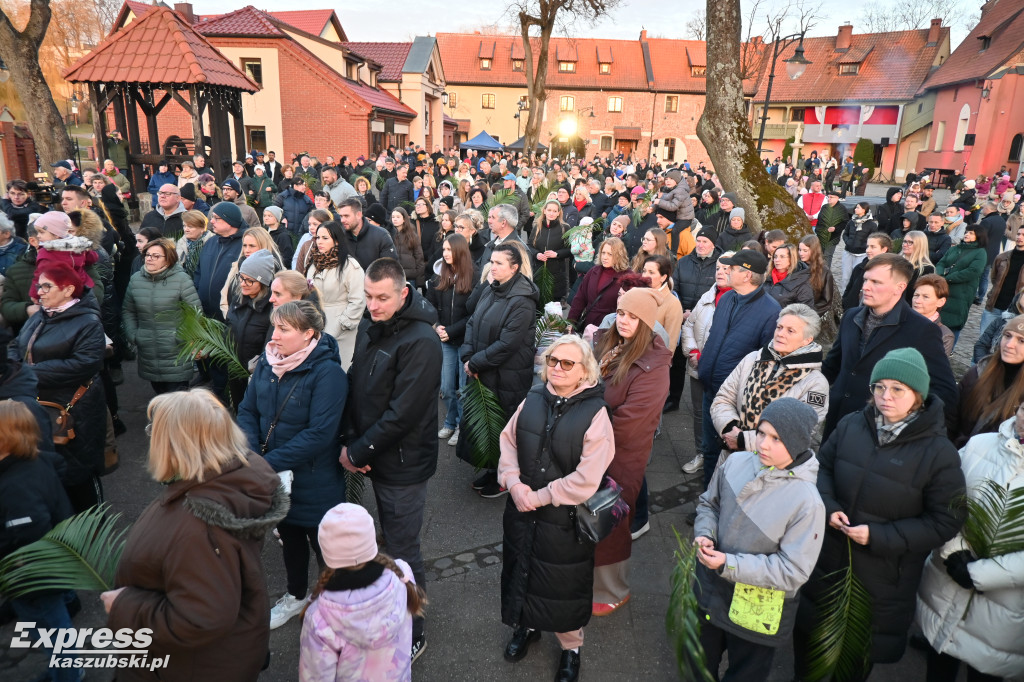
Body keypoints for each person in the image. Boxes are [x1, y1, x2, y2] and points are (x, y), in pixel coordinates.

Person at [795, 348, 966, 682]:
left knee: (852, 663)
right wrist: (829, 507)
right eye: (879, 387)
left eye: (897, 389)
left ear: (918, 395)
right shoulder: (851, 425)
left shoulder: (939, 453)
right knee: (808, 650)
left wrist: (879, 537)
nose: (885, 396)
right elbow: (823, 468)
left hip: (882, 580)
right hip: (828, 560)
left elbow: (946, 520)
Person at [101, 389, 288, 682]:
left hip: (189, 667)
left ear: (176, 445)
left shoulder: (199, 527)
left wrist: (124, 607)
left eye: (155, 432)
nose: (150, 438)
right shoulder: (227, 480)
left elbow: (201, 618)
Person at [497, 335, 615, 682]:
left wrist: (539, 496)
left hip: (564, 520)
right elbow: (508, 440)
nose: (558, 368)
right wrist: (514, 482)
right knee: (522, 571)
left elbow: (587, 478)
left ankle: (570, 649)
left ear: (584, 371)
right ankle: (527, 626)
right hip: (521, 508)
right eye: (552, 361)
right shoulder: (534, 396)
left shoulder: (596, 413)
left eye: (567, 363)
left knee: (562, 585)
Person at [341, 258, 441, 661]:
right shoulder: (372, 324)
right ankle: (389, 607)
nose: (373, 305)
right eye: (367, 296)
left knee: (403, 549)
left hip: (404, 463)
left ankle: (413, 629)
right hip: (374, 453)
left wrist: (358, 450)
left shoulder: (422, 341)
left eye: (382, 298)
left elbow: (404, 414)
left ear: (403, 294)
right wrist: (354, 440)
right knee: (387, 541)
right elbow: (355, 382)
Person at [694, 398, 825, 681]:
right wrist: (705, 533)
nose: (763, 444)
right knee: (698, 664)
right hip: (711, 591)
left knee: (745, 673)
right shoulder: (736, 461)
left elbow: (793, 571)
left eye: (776, 438)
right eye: (762, 433)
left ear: (798, 441)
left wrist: (729, 564)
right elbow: (709, 504)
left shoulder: (807, 503)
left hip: (757, 611)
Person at [236, 300, 347, 630]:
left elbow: (319, 434)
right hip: (276, 477)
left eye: (284, 329)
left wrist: (264, 462)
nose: (275, 335)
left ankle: (336, 606)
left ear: (309, 334)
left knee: (325, 548)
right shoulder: (269, 364)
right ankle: (296, 595)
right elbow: (247, 411)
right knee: (291, 540)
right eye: (275, 327)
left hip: (315, 481)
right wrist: (253, 454)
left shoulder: (328, 374)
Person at [916, 406, 1024, 681]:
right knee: (938, 667)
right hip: (946, 586)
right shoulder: (979, 446)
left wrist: (980, 574)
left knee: (983, 673)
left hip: (1002, 608)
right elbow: (942, 499)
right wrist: (954, 550)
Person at [591, 288, 671, 612]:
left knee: (613, 522)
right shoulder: (610, 343)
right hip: (595, 449)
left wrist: (587, 432)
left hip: (622, 457)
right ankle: (593, 580)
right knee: (591, 518)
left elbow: (630, 424)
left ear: (647, 322)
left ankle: (613, 591)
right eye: (622, 313)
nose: (624, 321)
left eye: (633, 317)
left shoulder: (654, 368)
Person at [823, 253, 957, 439]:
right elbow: (833, 365)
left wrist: (905, 424)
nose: (865, 287)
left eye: (876, 282)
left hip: (879, 431)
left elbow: (944, 391)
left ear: (899, 287)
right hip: (837, 421)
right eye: (866, 280)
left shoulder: (921, 329)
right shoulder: (851, 316)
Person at [9, 263, 106, 513]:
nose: (38, 292)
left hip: (73, 408)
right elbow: (19, 345)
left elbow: (84, 363)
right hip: (41, 403)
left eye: (46, 286)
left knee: (78, 471)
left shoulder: (88, 322)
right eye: (39, 285)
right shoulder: (43, 315)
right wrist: (9, 364)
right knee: (52, 469)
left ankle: (92, 531)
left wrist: (26, 373)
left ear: (68, 289)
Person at [299, 503, 426, 682]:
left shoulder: (318, 617)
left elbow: (315, 676)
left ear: (326, 551)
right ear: (371, 539)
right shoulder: (402, 572)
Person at [0, 401, 79, 681]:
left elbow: (29, 531)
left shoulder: (15, 484)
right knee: (51, 622)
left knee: (50, 626)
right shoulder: (35, 462)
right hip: (51, 565)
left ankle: (69, 675)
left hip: (33, 573)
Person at [459, 243, 540, 497]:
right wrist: (468, 355)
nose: (491, 267)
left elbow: (508, 344)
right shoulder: (491, 289)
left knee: (503, 428)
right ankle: (491, 469)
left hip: (508, 376)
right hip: (485, 371)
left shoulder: (522, 301)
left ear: (514, 268)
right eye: (491, 262)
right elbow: (473, 321)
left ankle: (505, 478)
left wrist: (475, 362)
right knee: (488, 426)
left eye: (498, 263)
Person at [696, 249, 781, 490]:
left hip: (737, 399)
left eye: (731, 268)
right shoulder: (727, 298)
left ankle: (724, 505)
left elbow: (766, 363)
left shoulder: (771, 312)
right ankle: (707, 501)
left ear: (746, 275)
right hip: (712, 388)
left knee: (732, 457)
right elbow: (715, 336)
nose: (725, 271)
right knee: (710, 449)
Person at [710, 303, 829, 458]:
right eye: (779, 327)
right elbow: (723, 399)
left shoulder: (815, 383)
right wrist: (729, 429)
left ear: (807, 340)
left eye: (790, 331)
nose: (780, 334)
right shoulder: (753, 359)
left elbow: (800, 432)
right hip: (731, 456)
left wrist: (743, 440)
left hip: (772, 467)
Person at [122, 238, 201, 394]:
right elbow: (128, 310)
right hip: (148, 350)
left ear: (169, 258)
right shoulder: (136, 279)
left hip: (176, 351)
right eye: (148, 254)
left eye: (156, 256)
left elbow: (195, 313)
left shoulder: (181, 280)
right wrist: (134, 335)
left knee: (177, 402)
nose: (149, 258)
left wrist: (185, 338)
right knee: (160, 395)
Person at [680, 251, 734, 475]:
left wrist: (708, 358)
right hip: (697, 366)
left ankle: (722, 457)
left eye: (726, 269)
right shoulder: (707, 296)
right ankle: (701, 452)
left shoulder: (739, 302)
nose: (720, 272)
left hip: (724, 372)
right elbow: (689, 326)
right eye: (718, 268)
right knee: (698, 413)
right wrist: (692, 351)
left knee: (723, 413)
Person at [425, 233, 474, 447]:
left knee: (463, 389)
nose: (445, 254)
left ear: (460, 251)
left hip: (464, 341)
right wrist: (436, 326)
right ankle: (450, 422)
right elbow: (430, 306)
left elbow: (473, 314)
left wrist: (451, 331)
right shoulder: (439, 276)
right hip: (444, 340)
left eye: (449, 250)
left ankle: (462, 427)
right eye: (443, 250)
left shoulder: (474, 276)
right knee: (446, 388)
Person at [666, 228, 721, 411]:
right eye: (699, 241)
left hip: (707, 322)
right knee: (678, 363)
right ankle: (674, 399)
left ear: (713, 244)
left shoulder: (718, 265)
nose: (701, 245)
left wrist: (696, 313)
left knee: (703, 361)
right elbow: (675, 288)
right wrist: (681, 311)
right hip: (683, 317)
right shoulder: (684, 262)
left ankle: (706, 404)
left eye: (705, 241)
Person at [954, 313, 1024, 446]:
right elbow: (950, 417)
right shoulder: (978, 372)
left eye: (1021, 340)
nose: (1009, 345)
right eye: (1007, 336)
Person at [935, 222, 987, 344]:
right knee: (939, 318)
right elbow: (941, 263)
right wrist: (940, 274)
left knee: (954, 321)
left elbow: (973, 271)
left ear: (978, 236)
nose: (967, 234)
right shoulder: (954, 249)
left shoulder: (980, 252)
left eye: (971, 233)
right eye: (966, 232)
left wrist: (948, 278)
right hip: (943, 288)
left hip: (962, 291)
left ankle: (949, 349)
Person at [194, 202, 245, 321]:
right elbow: (199, 272)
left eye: (216, 218)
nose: (211, 221)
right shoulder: (211, 242)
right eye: (212, 217)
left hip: (231, 315)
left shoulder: (245, 245)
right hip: (205, 315)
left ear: (230, 221)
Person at [338, 197, 398, 271]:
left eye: (346, 216)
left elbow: (390, 268)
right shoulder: (339, 236)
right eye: (341, 216)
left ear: (359, 215)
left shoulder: (381, 235)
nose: (342, 220)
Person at [640, 254, 684, 352]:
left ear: (663, 277)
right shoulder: (638, 294)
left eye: (651, 272)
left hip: (652, 361)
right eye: (644, 271)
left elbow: (670, 344)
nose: (645, 276)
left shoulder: (673, 304)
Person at [533, 200, 572, 301]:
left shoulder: (565, 228)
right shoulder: (538, 226)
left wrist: (557, 254)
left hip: (557, 274)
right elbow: (529, 245)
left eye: (555, 211)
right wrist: (536, 254)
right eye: (549, 210)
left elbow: (570, 249)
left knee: (553, 309)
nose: (551, 213)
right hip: (539, 271)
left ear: (559, 213)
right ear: (544, 211)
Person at [912, 274, 955, 357]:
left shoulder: (944, 335)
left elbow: (934, 368)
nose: (917, 301)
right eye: (916, 295)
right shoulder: (898, 320)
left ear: (941, 302)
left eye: (925, 297)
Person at [765, 243, 815, 308]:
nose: (777, 260)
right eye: (775, 256)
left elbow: (805, 312)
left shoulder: (802, 282)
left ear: (791, 259)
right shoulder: (766, 277)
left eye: (782, 257)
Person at [841, 201, 877, 290]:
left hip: (861, 254)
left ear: (864, 210)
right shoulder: (851, 222)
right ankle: (843, 295)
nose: (855, 209)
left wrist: (863, 246)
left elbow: (873, 239)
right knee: (845, 277)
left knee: (856, 276)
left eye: (858, 208)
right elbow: (845, 234)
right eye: (855, 207)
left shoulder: (872, 225)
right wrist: (848, 241)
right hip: (848, 252)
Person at [798, 235, 835, 318]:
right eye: (799, 250)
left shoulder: (824, 272)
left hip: (809, 316)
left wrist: (808, 314)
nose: (801, 253)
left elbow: (826, 301)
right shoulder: (796, 267)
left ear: (814, 251)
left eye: (805, 250)